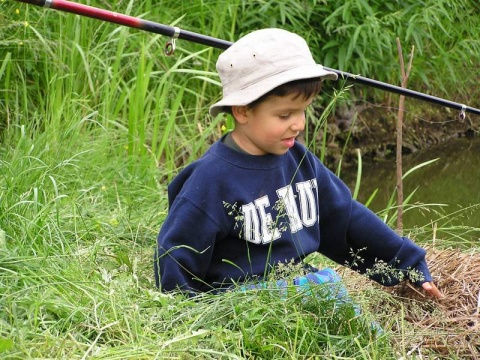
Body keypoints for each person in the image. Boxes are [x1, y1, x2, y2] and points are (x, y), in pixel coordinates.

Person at [154, 28, 443, 299]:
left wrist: (406, 261)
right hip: (239, 300)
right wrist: (191, 317)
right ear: (242, 110)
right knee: (326, 285)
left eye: (303, 112)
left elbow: (345, 218)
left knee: (339, 305)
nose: (298, 125)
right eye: (284, 115)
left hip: (296, 285)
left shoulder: (300, 161)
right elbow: (175, 256)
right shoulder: (211, 180)